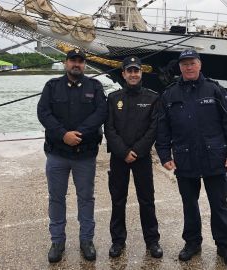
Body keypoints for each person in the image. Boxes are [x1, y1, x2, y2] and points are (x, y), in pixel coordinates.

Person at [155, 49, 227, 268]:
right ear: (179, 67)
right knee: (189, 205)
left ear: (200, 65)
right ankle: (192, 243)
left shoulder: (215, 90)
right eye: (184, 64)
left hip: (215, 158)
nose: (188, 67)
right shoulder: (169, 94)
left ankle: (225, 246)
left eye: (192, 63)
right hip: (185, 159)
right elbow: (162, 129)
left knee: (219, 205)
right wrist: (165, 155)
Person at [37, 48, 107, 263]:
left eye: (80, 61)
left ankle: (86, 240)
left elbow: (101, 113)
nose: (76, 64)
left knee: (86, 198)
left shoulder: (94, 86)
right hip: (57, 154)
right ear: (65, 63)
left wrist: (80, 134)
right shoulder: (52, 86)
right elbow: (43, 113)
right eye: (72, 60)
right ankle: (57, 241)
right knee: (56, 199)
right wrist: (63, 134)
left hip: (84, 155)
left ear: (84, 65)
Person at [104, 56, 163, 258]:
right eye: (129, 71)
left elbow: (154, 128)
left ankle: (152, 241)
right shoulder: (113, 98)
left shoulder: (152, 98)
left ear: (141, 73)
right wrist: (123, 152)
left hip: (142, 157)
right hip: (119, 158)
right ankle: (118, 241)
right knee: (118, 200)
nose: (133, 74)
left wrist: (137, 151)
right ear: (123, 74)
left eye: (136, 70)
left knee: (146, 200)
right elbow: (109, 128)